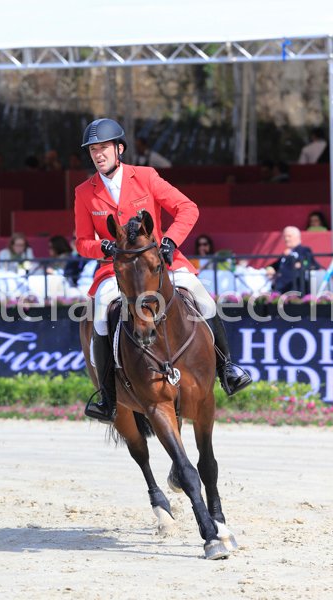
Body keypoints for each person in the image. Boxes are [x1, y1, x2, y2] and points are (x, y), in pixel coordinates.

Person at [74, 118, 251, 422]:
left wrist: (170, 241)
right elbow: (81, 242)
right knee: (101, 313)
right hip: (115, 270)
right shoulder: (84, 192)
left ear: (119, 149)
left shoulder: (146, 176)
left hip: (159, 262)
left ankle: (227, 369)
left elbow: (187, 208)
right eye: (93, 150)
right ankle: (107, 397)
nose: (98, 154)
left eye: (103, 148)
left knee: (201, 295)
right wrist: (103, 247)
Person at [266, 226, 320, 294]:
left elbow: (311, 264)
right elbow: (275, 265)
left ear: (297, 237)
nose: (286, 239)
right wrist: (270, 268)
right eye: (285, 236)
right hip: (280, 290)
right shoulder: (286, 253)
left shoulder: (304, 250)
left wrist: (301, 264)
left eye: (289, 236)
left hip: (295, 290)